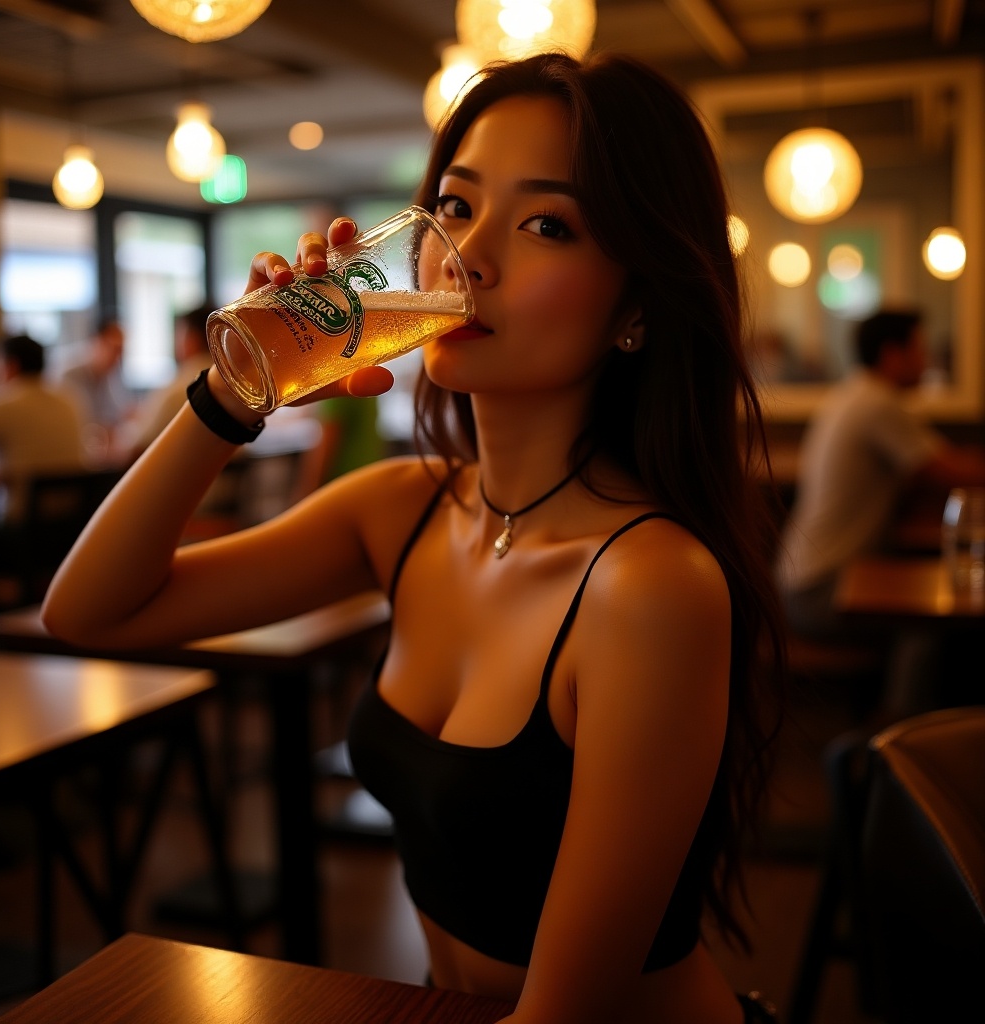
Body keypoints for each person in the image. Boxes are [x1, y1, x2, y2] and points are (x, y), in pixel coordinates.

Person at [43, 52, 786, 1024]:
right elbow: (88, 612)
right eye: (457, 206)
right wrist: (232, 389)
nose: (466, 258)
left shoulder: (650, 584)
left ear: (635, 306)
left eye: (546, 224)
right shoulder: (404, 508)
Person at [775, 308, 985, 715]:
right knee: (925, 623)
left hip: (802, 577)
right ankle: (897, 747)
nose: (927, 361)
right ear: (893, 354)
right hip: (819, 589)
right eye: (919, 350)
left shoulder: (856, 393)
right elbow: (944, 472)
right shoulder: (878, 404)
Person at [0, 332, 85, 525]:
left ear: (11, 366)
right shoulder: (70, 398)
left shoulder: (1, 401)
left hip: (19, 524)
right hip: (71, 521)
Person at [115, 304, 214, 461]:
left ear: (191, 340)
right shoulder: (236, 386)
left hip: (183, 484)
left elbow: (138, 447)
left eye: (179, 335)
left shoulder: (179, 390)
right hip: (230, 482)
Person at [56, 316, 134, 456]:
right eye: (114, 349)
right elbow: (79, 423)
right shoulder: (69, 375)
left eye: (121, 351)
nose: (118, 357)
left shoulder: (110, 375)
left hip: (98, 454)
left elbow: (119, 415)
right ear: (96, 342)